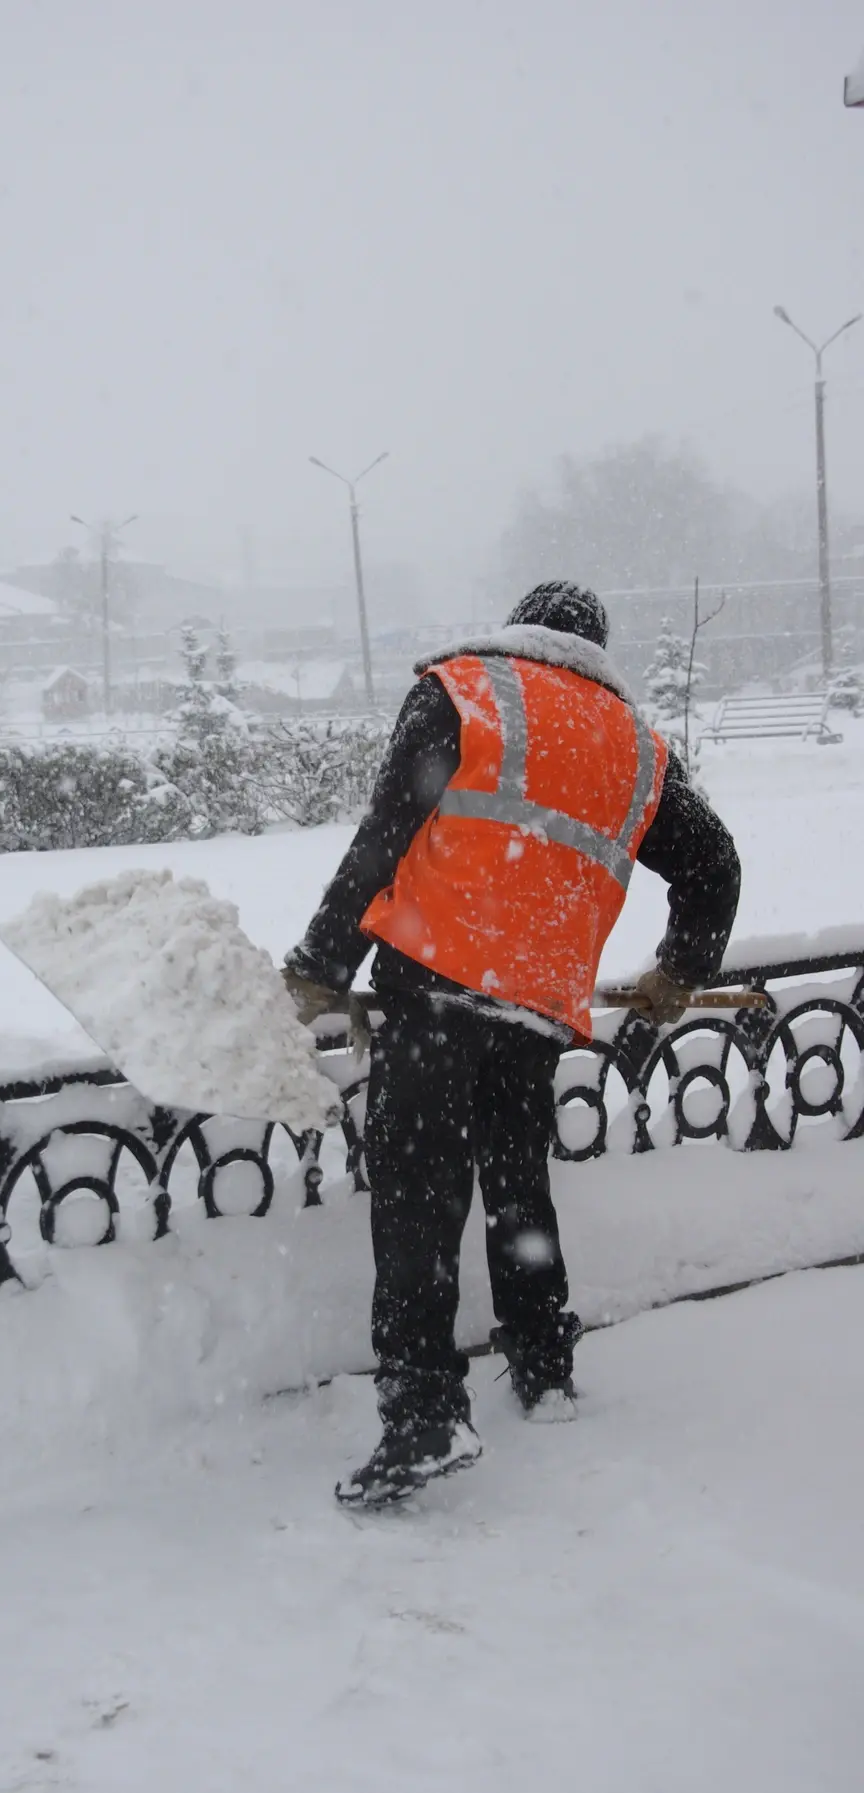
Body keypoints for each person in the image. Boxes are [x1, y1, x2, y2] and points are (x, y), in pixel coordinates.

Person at [282, 581, 740, 1506]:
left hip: (438, 988)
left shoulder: (467, 689)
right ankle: (544, 1366)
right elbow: (716, 863)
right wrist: (678, 972)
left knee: (420, 1202)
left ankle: (422, 1415)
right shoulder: (638, 747)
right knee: (518, 1189)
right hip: (537, 1007)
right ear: (593, 646)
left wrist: (322, 961)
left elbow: (386, 833)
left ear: (523, 625)